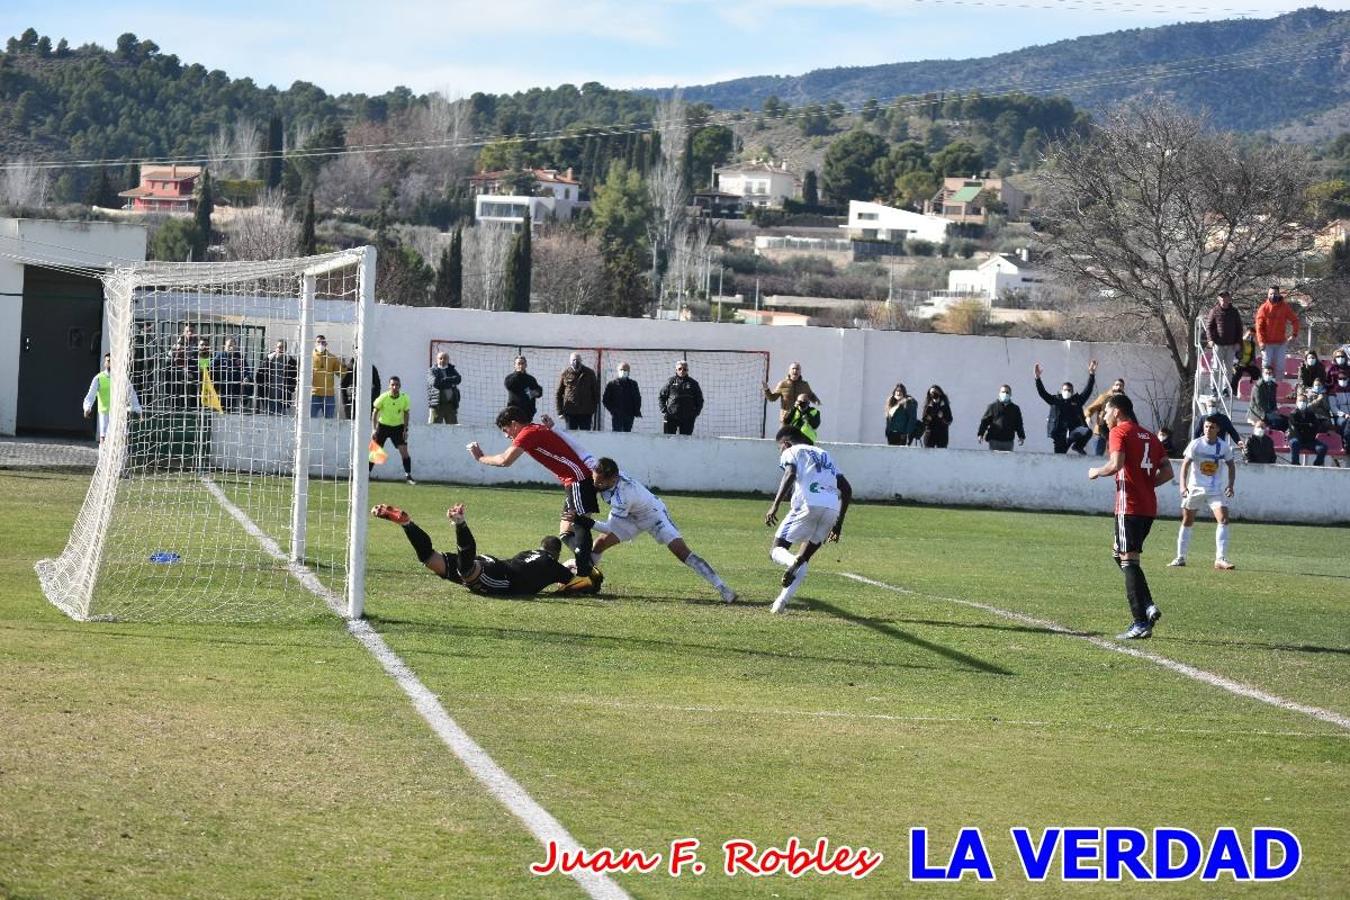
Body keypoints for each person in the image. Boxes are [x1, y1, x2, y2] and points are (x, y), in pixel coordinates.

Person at [582, 457, 737, 603]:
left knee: (682, 552)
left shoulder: (624, 496)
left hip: (653, 516)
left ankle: (723, 588)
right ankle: (588, 583)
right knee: (600, 544)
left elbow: (609, 528)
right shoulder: (603, 472)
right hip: (631, 517)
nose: (595, 484)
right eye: (594, 479)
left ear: (614, 478)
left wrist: (585, 521)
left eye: (600, 483)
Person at [467, 407, 599, 576]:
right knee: (566, 532)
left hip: (579, 480)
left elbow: (505, 460)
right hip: (574, 481)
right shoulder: (535, 429)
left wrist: (480, 458)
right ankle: (586, 565)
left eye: (506, 430)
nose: (507, 436)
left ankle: (584, 575)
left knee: (579, 526)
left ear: (514, 424)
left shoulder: (528, 433)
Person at [371, 502, 601, 596]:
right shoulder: (552, 565)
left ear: (540, 547)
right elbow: (582, 585)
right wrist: (582, 573)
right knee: (466, 570)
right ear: (556, 554)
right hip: (499, 578)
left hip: (495, 564)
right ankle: (460, 524)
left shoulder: (528, 554)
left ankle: (408, 525)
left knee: (431, 558)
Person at [1088, 393, 1173, 640]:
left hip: (1129, 507)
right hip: (1148, 508)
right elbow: (1167, 472)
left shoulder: (1119, 432)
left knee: (1128, 559)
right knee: (1119, 553)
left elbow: (1115, 464)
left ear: (1116, 411)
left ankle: (1140, 622)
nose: (1103, 416)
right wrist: (1146, 485)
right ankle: (1147, 604)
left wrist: (1095, 471)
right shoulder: (1150, 436)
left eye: (1105, 412)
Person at [764, 427, 852, 614]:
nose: (780, 451)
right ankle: (779, 604)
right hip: (831, 509)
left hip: (807, 505)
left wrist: (775, 504)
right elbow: (847, 488)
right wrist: (838, 524)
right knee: (804, 559)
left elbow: (790, 473)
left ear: (786, 443)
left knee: (776, 550)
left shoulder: (791, 451)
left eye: (779, 447)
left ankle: (792, 562)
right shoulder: (825, 454)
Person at [1169, 414, 1237, 571]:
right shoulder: (1196, 444)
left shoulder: (1223, 446)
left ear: (1218, 429)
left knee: (1224, 520)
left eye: (1211, 427)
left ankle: (1220, 559)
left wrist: (1230, 485)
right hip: (1195, 488)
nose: (1208, 429)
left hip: (1215, 489)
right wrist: (1183, 486)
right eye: (1206, 426)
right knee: (1187, 521)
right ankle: (1180, 557)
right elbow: (1185, 465)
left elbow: (1231, 465)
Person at [1034, 360, 1097, 454]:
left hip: (1073, 431)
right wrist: (1037, 378)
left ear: (1072, 391)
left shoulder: (1077, 400)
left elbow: (1087, 391)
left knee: (1087, 432)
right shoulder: (1055, 400)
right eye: (1065, 390)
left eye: (1069, 390)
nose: (1067, 391)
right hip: (1059, 434)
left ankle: (1078, 446)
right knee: (1060, 455)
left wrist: (1091, 374)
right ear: (1061, 390)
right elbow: (1042, 393)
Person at [82, 352, 143, 445]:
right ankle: (103, 458)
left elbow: (132, 394)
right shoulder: (98, 378)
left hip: (119, 414)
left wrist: (137, 410)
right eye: (108, 361)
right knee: (104, 439)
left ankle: (122, 457)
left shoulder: (122, 378)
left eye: (112, 361)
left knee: (123, 439)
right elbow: (90, 395)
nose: (110, 363)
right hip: (105, 414)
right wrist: (87, 408)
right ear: (105, 363)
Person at [371, 375, 414, 483]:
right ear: (389, 386)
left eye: (397, 385)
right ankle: (366, 474)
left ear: (400, 386)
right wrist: (374, 429)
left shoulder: (405, 398)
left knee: (404, 452)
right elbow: (375, 412)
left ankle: (408, 476)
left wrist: (405, 430)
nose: (395, 387)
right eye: (392, 385)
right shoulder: (383, 397)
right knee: (375, 452)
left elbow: (406, 413)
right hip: (383, 426)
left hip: (397, 428)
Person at [1254, 286, 1300, 378]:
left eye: (1275, 293)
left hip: (1280, 343)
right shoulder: (1263, 308)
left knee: (1280, 367)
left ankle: (1279, 387)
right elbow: (1259, 327)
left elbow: (1295, 320)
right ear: (1267, 295)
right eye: (1270, 294)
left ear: (1279, 294)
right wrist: (1261, 341)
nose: (1273, 295)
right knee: (1266, 366)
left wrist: (1294, 334)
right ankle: (1265, 386)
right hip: (1267, 343)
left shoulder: (1284, 307)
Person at [1204, 290, 1243, 388]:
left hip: (1231, 345)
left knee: (1228, 368)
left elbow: (1239, 328)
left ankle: (1226, 388)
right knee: (1216, 367)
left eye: (1226, 297)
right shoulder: (1214, 311)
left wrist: (1238, 342)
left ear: (1229, 299)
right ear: (1219, 299)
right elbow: (1208, 327)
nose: (1224, 299)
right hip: (1218, 344)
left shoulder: (1234, 312)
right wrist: (1210, 340)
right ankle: (1214, 388)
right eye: (1222, 297)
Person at [658, 360, 704, 436]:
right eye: (680, 369)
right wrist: (664, 410)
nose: (682, 371)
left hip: (688, 418)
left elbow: (700, 400)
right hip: (671, 417)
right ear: (676, 370)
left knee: (685, 441)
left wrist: (695, 413)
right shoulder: (670, 382)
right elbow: (661, 396)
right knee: (668, 439)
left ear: (687, 370)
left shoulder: (693, 383)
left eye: (684, 369)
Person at [556, 351, 599, 430]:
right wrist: (560, 411)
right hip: (570, 412)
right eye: (573, 360)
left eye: (578, 360)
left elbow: (595, 392)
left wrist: (592, 409)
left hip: (586, 412)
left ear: (581, 360)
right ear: (570, 361)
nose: (576, 362)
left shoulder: (589, 373)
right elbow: (559, 394)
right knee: (571, 437)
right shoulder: (565, 373)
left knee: (586, 436)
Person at [1084, 377, 1126, 456]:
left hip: (1115, 433)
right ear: (1113, 386)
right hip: (1101, 432)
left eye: (1121, 386)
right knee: (1097, 457)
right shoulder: (1105, 397)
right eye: (1117, 385)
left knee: (1114, 457)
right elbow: (1090, 408)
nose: (1118, 387)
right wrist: (1088, 417)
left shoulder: (1124, 401)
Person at [976, 384, 1025, 451]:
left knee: (1007, 461)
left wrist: (1021, 436)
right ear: (999, 393)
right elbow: (984, 422)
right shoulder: (992, 406)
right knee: (994, 460)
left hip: (1008, 442)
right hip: (994, 441)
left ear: (1010, 394)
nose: (1005, 394)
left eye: (1007, 392)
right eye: (1003, 392)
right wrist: (980, 434)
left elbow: (1019, 423)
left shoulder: (1015, 409)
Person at [1286, 389, 1328, 466]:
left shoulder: (1311, 414)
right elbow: (1295, 427)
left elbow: (1316, 426)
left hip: (1309, 440)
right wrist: (1308, 425)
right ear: (1296, 403)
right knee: (1295, 443)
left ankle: (1317, 465)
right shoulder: (1293, 414)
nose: (1302, 403)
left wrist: (1304, 425)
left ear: (1307, 402)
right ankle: (1295, 464)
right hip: (1296, 438)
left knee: (1323, 448)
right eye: (1300, 401)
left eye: (1304, 401)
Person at [255, 340, 297, 415]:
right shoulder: (268, 360)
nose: (280, 349)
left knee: (282, 422)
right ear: (276, 348)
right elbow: (259, 375)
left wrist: (291, 389)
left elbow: (294, 377)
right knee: (268, 421)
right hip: (268, 396)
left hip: (283, 398)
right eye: (279, 347)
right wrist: (262, 390)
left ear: (285, 349)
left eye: (282, 347)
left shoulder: (290, 362)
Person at [310, 334, 344, 418]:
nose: (320, 344)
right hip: (314, 394)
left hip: (328, 395)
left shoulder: (332, 358)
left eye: (323, 342)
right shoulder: (309, 357)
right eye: (318, 342)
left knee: (329, 422)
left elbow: (341, 373)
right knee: (309, 420)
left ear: (326, 344)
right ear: (315, 343)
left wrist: (343, 365)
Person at [1247, 364, 1289, 432]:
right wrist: (1270, 413)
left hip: (1270, 412)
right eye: (1266, 373)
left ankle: (1282, 439)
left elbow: (1273, 400)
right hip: (1259, 412)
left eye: (1270, 373)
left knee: (1287, 420)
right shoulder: (1258, 386)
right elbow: (1259, 404)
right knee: (1276, 421)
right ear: (1263, 374)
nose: (1268, 375)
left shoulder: (1273, 385)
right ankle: (1273, 437)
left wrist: (1275, 410)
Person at [602, 361, 642, 432]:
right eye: (621, 370)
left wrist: (636, 410)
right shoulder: (612, 384)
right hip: (617, 416)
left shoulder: (633, 384)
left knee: (627, 435)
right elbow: (605, 400)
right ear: (618, 371)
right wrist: (613, 411)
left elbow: (637, 398)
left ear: (629, 372)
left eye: (625, 370)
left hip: (629, 415)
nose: (623, 372)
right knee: (617, 435)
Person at [210, 336, 247, 412]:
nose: (231, 348)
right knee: (222, 406)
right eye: (229, 345)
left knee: (232, 407)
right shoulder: (221, 355)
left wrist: (246, 377)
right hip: (222, 384)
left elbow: (246, 369)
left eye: (233, 345)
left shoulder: (239, 357)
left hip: (235, 385)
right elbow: (211, 366)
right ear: (225, 346)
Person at [426, 351, 462, 425]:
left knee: (453, 430)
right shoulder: (432, 370)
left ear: (448, 360)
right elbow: (435, 382)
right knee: (434, 430)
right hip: (437, 406)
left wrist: (443, 381)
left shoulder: (451, 369)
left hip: (450, 406)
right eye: (440, 358)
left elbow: (458, 379)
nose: (442, 360)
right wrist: (450, 382)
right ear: (437, 360)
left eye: (445, 358)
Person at [504, 356, 543, 421]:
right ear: (515, 365)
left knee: (526, 430)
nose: (521, 365)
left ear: (526, 365)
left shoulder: (531, 379)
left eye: (523, 363)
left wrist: (534, 393)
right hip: (514, 411)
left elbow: (539, 392)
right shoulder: (510, 377)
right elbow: (508, 385)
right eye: (519, 363)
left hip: (527, 413)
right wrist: (517, 374)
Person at [1229, 327, 1261, 395]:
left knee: (1256, 372)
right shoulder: (1239, 342)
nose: (1250, 337)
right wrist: (1237, 362)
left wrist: (1252, 361)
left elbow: (1253, 355)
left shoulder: (1252, 344)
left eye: (1252, 335)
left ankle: (1254, 390)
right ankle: (1233, 390)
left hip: (1247, 364)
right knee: (1237, 373)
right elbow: (1233, 354)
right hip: (1238, 364)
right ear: (1245, 333)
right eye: (1249, 334)